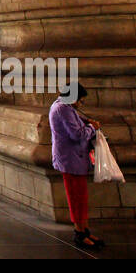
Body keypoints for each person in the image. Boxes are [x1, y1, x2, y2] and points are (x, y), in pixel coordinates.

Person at [49, 83, 105, 248]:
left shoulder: (63, 106)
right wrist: (91, 128)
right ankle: (80, 233)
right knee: (76, 197)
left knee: (81, 197)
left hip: (75, 159)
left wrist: (86, 122)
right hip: (70, 159)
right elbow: (77, 134)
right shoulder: (63, 109)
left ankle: (84, 229)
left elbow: (76, 124)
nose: (80, 104)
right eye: (80, 100)